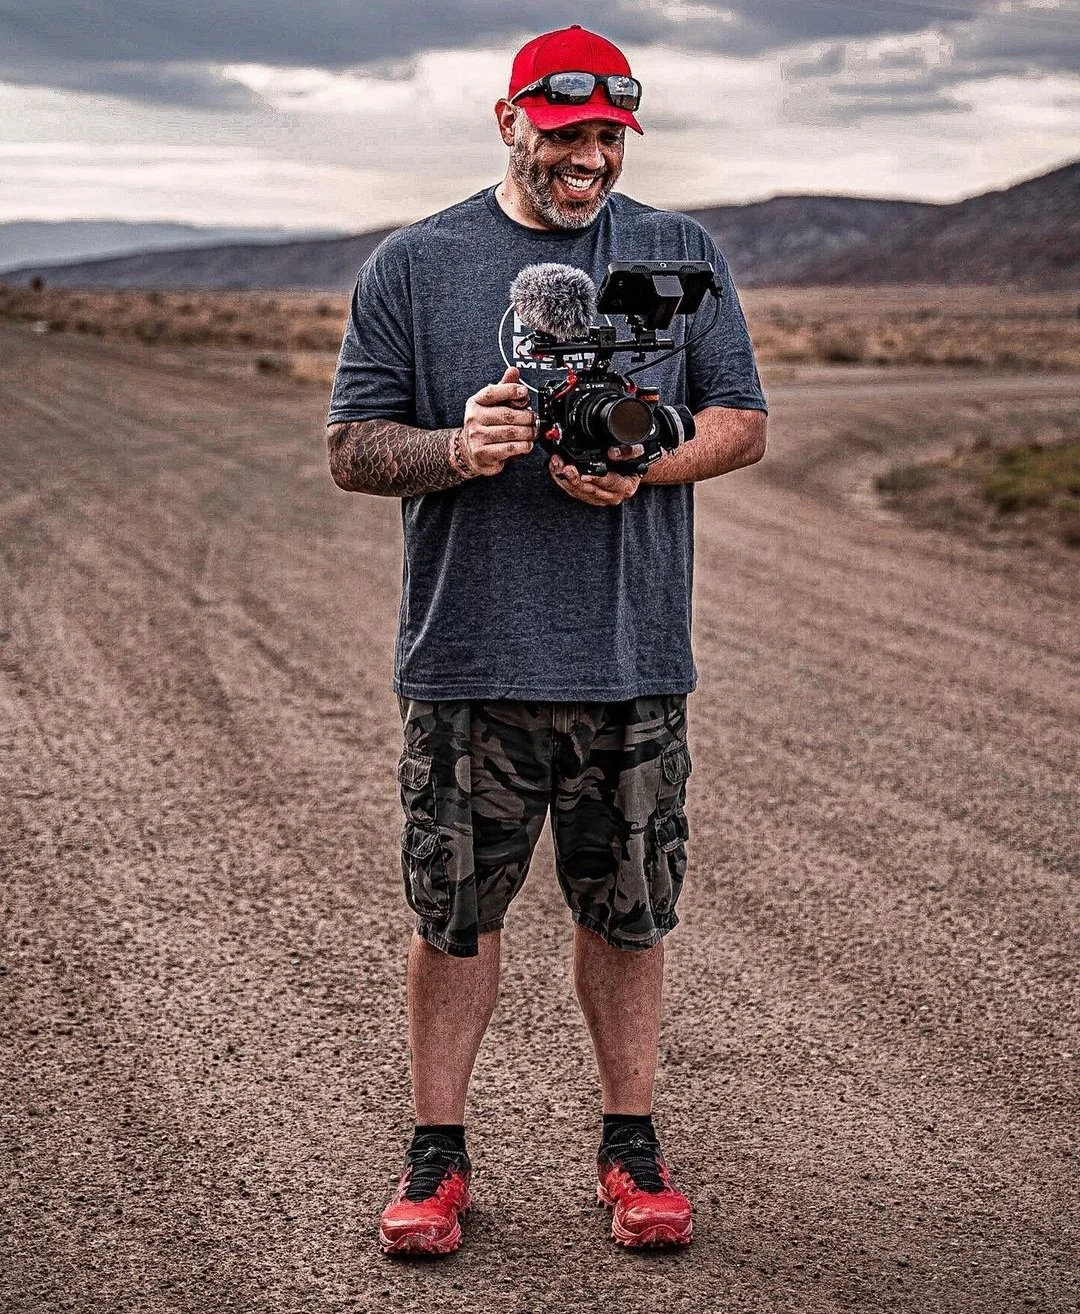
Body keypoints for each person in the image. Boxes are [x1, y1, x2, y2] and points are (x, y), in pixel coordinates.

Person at [325, 23, 767, 1256]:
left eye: (608, 138)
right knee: (454, 916)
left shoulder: (679, 253)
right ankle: (436, 1157)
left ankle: (631, 1149)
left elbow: (743, 418)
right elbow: (353, 448)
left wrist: (649, 466)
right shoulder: (416, 265)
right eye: (565, 132)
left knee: (630, 912)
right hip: (470, 658)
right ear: (509, 120)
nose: (588, 159)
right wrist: (454, 451)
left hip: (632, 658)